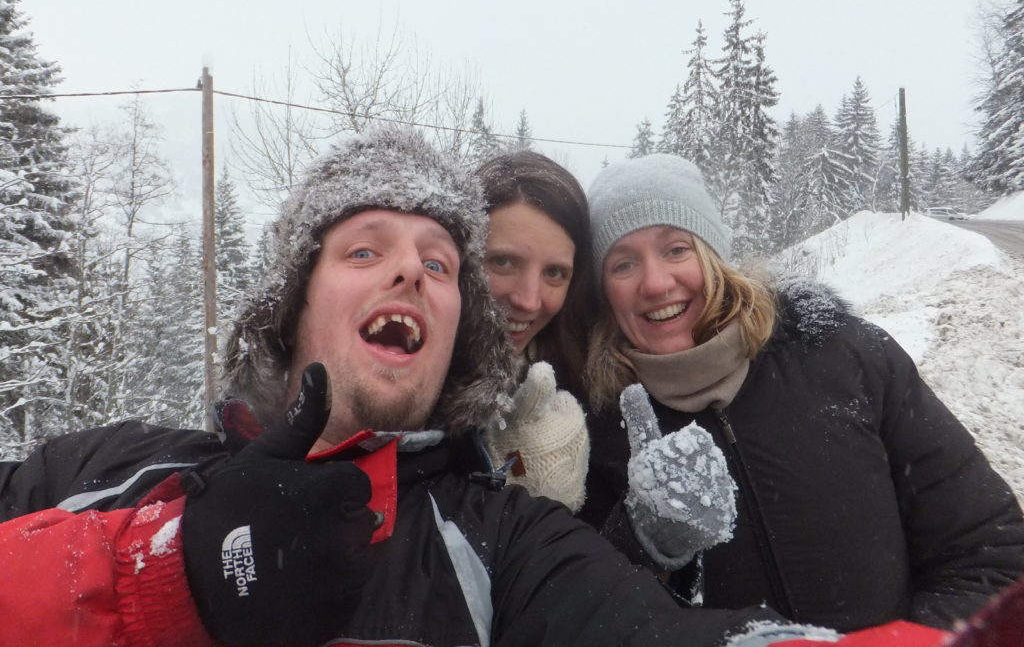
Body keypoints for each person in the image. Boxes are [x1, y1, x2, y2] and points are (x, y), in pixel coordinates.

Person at [0, 126, 815, 647]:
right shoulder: (108, 472)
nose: (407, 269)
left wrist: (659, 548)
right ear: (292, 301)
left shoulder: (504, 539)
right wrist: (159, 579)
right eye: (364, 251)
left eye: (438, 262)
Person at [579, 152, 1024, 634]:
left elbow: (989, 553)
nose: (656, 283)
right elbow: (588, 620)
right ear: (604, 291)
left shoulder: (847, 357)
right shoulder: (596, 429)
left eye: (676, 250)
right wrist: (640, 541)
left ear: (713, 256)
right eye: (623, 264)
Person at [475, 150, 595, 511]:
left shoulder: (584, 385)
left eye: (554, 273)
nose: (529, 301)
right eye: (502, 261)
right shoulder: (402, 383)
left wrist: (552, 513)